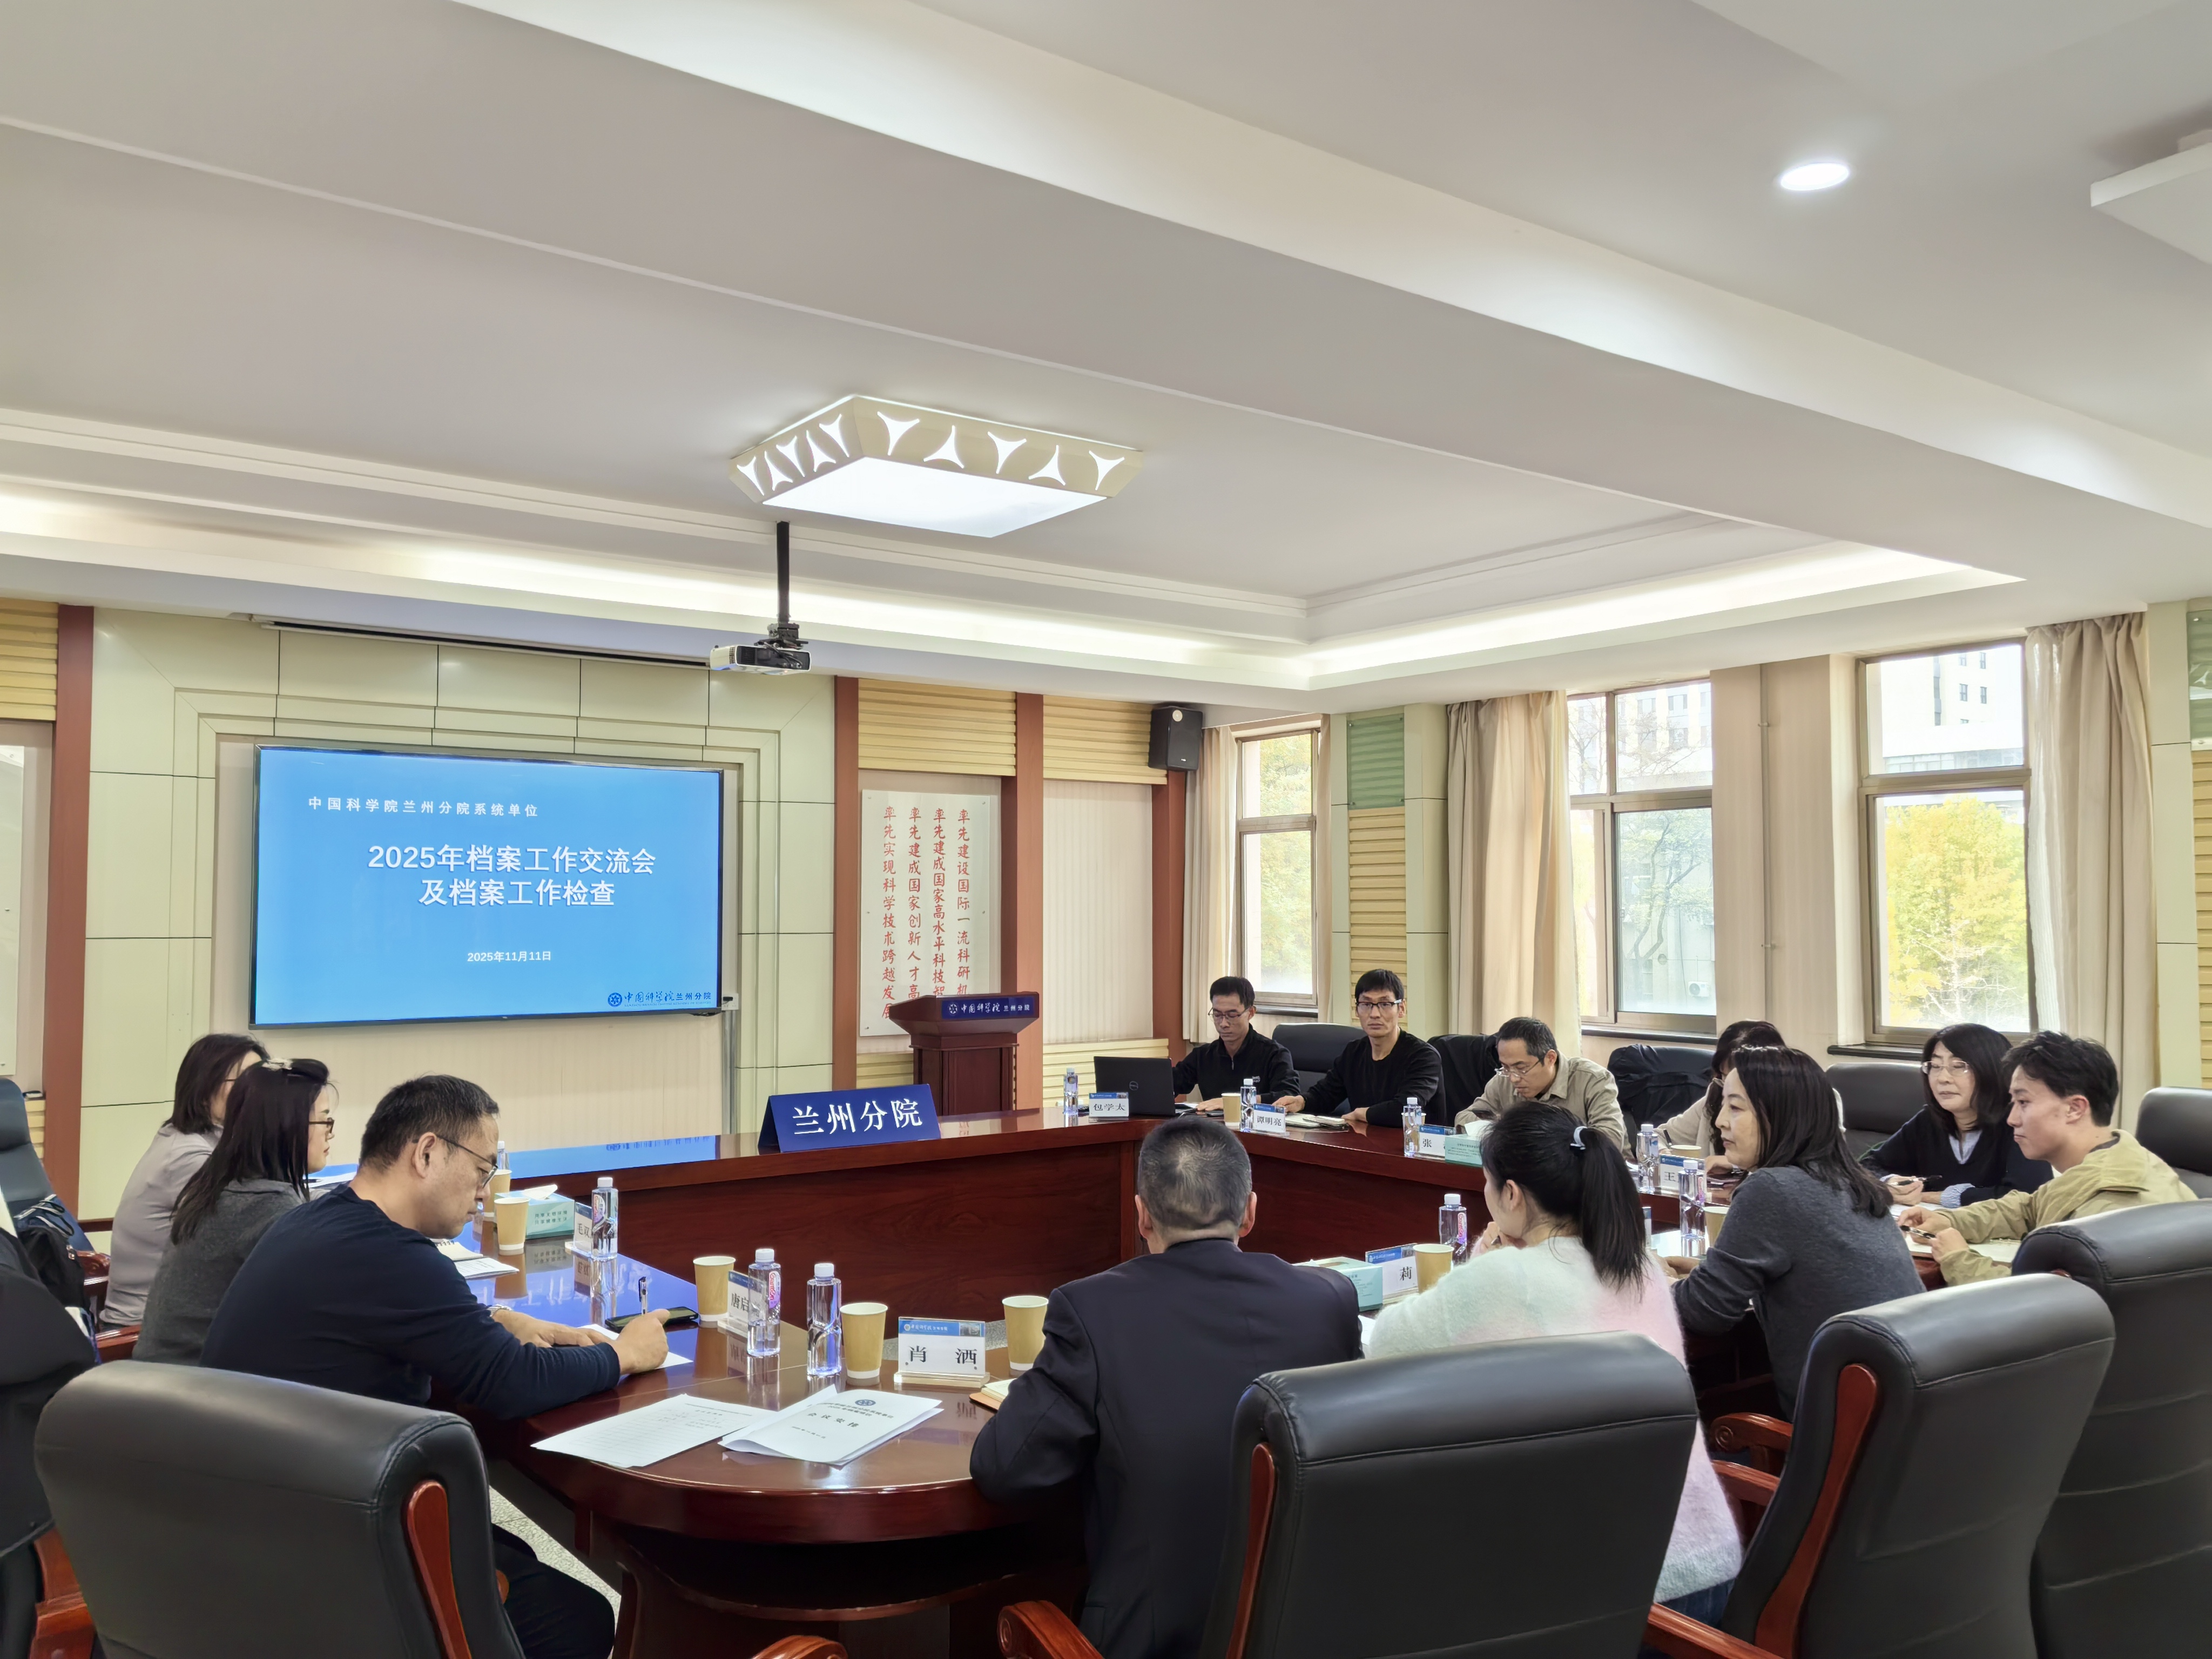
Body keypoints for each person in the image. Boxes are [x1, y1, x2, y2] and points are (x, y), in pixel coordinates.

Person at [202, 1075, 670, 1659]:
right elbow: (511, 1382)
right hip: (328, 1551)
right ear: (426, 1153)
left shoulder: (319, 1221)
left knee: (514, 1556)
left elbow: (396, 1321)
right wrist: (624, 1354)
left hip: (252, 1526)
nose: (484, 1192)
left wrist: (494, 1320)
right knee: (578, 1618)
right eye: (481, 1169)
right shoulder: (393, 1257)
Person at [970, 1114, 1360, 1659]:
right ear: (1250, 1212)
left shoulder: (1091, 1311)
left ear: (1142, 1216)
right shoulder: (1328, 1299)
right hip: (1312, 1636)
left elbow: (1004, 1469)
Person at [1370, 1103, 1739, 1634]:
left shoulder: (1505, 1278)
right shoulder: (1639, 1266)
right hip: (1708, 1572)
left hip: (1612, 1599)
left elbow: (1385, 1346)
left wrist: (1484, 1261)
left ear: (1512, 1195)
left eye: (1487, 1184)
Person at [1672, 1047, 1921, 1419]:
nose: (1721, 1121)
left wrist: (1657, 1283)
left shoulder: (1771, 1188)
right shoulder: (1851, 1180)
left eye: (1736, 1108)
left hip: (1841, 1432)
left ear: (1780, 1115)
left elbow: (1705, 1312)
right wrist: (1708, 1274)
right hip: (1900, 1412)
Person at [1898, 1031, 2196, 1286]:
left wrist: (1957, 1259)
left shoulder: (2112, 1209)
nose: (2012, 1118)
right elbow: (2028, 1209)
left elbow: (2045, 1304)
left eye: (2024, 1102)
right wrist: (1949, 1219)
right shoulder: (2111, 1160)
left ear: (2075, 1109)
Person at [136, 1058, 335, 1365]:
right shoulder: (270, 1208)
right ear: (288, 1127)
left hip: (167, 1378)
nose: (330, 1134)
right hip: (203, 1385)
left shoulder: (219, 1185)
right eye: (324, 1121)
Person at [103, 1033, 268, 1328]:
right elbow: (247, 1232)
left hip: (181, 1317)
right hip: (145, 1331)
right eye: (245, 1081)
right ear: (204, 1088)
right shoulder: (188, 1156)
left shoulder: (206, 1142)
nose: (257, 1093)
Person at [1862, 1023, 2051, 1208]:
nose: (1942, 1078)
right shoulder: (1928, 1121)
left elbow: (2027, 1196)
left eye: (1958, 1066)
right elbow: (1866, 1167)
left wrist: (1936, 1197)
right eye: (1935, 1066)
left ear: (1991, 1070)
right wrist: (1890, 1183)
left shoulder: (2020, 1123)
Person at [1274, 968, 1441, 1128]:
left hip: (1416, 1145)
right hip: (1363, 1142)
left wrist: (1362, 1114)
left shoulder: (1424, 1057)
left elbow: (1406, 1109)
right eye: (1366, 1004)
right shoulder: (1354, 1052)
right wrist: (1301, 1101)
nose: (1375, 1014)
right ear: (1357, 1010)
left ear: (1402, 1008)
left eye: (1385, 1004)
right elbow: (1326, 1095)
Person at [1459, 1016, 1628, 1150]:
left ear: (1550, 1058)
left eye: (1521, 1068)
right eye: (1506, 1067)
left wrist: (1548, 1137)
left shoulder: (1593, 1079)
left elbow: (1610, 1138)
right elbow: (1464, 1118)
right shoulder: (1504, 1080)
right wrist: (1502, 1123)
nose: (1514, 1078)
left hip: (1594, 1177)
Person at [1650, 1019, 1783, 1156]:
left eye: (1740, 1079)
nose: (1720, 1122)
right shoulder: (1716, 1093)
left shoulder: (1785, 1114)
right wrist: (1665, 1154)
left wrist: (1732, 1165)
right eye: (1725, 1076)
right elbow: (1657, 1137)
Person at [1174, 975, 1295, 1104]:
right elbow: (1170, 1084)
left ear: (1251, 1012)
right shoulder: (1203, 1056)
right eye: (1217, 1015)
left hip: (1255, 1118)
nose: (1223, 1024)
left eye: (1232, 1015)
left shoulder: (1274, 1054)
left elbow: (1289, 1096)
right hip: (1212, 1118)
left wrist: (1237, 1102)